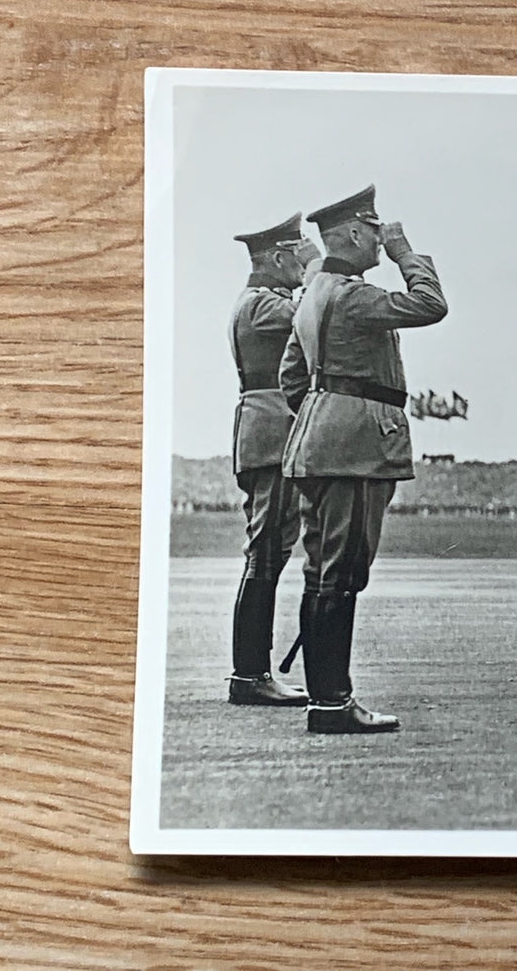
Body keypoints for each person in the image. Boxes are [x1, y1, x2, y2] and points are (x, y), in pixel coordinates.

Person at [280, 185, 447, 733]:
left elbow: (291, 378)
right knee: (343, 571)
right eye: (376, 229)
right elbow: (430, 306)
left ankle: (325, 698)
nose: (381, 237)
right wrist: (407, 255)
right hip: (355, 447)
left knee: (322, 569)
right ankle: (332, 703)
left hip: (323, 438)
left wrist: (323, 414)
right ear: (355, 232)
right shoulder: (350, 294)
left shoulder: (313, 292)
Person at [226, 212, 321, 706]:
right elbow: (316, 316)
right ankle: (250, 673)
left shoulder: (260, 302)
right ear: (279, 256)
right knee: (266, 550)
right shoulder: (264, 305)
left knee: (269, 548)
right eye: (297, 254)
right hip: (272, 432)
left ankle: (251, 672)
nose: (301, 264)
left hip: (266, 431)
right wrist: (321, 269)